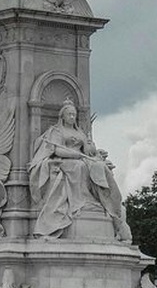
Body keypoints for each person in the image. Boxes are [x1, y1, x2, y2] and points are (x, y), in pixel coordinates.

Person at [28, 99, 131, 240]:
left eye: (73, 114)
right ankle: (80, 202)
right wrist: (74, 154)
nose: (72, 117)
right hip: (66, 161)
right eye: (69, 114)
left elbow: (88, 151)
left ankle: (103, 202)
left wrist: (91, 148)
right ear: (62, 116)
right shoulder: (56, 131)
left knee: (100, 167)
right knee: (80, 167)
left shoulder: (80, 132)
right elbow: (57, 150)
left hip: (81, 158)